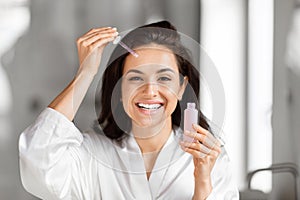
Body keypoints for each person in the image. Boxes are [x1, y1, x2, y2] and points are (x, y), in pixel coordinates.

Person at [19, 21, 239, 200]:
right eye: (135, 78)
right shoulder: (91, 156)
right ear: (120, 90)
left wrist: (202, 183)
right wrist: (86, 73)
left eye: (164, 78)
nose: (151, 91)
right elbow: (38, 159)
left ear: (182, 87)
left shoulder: (211, 159)